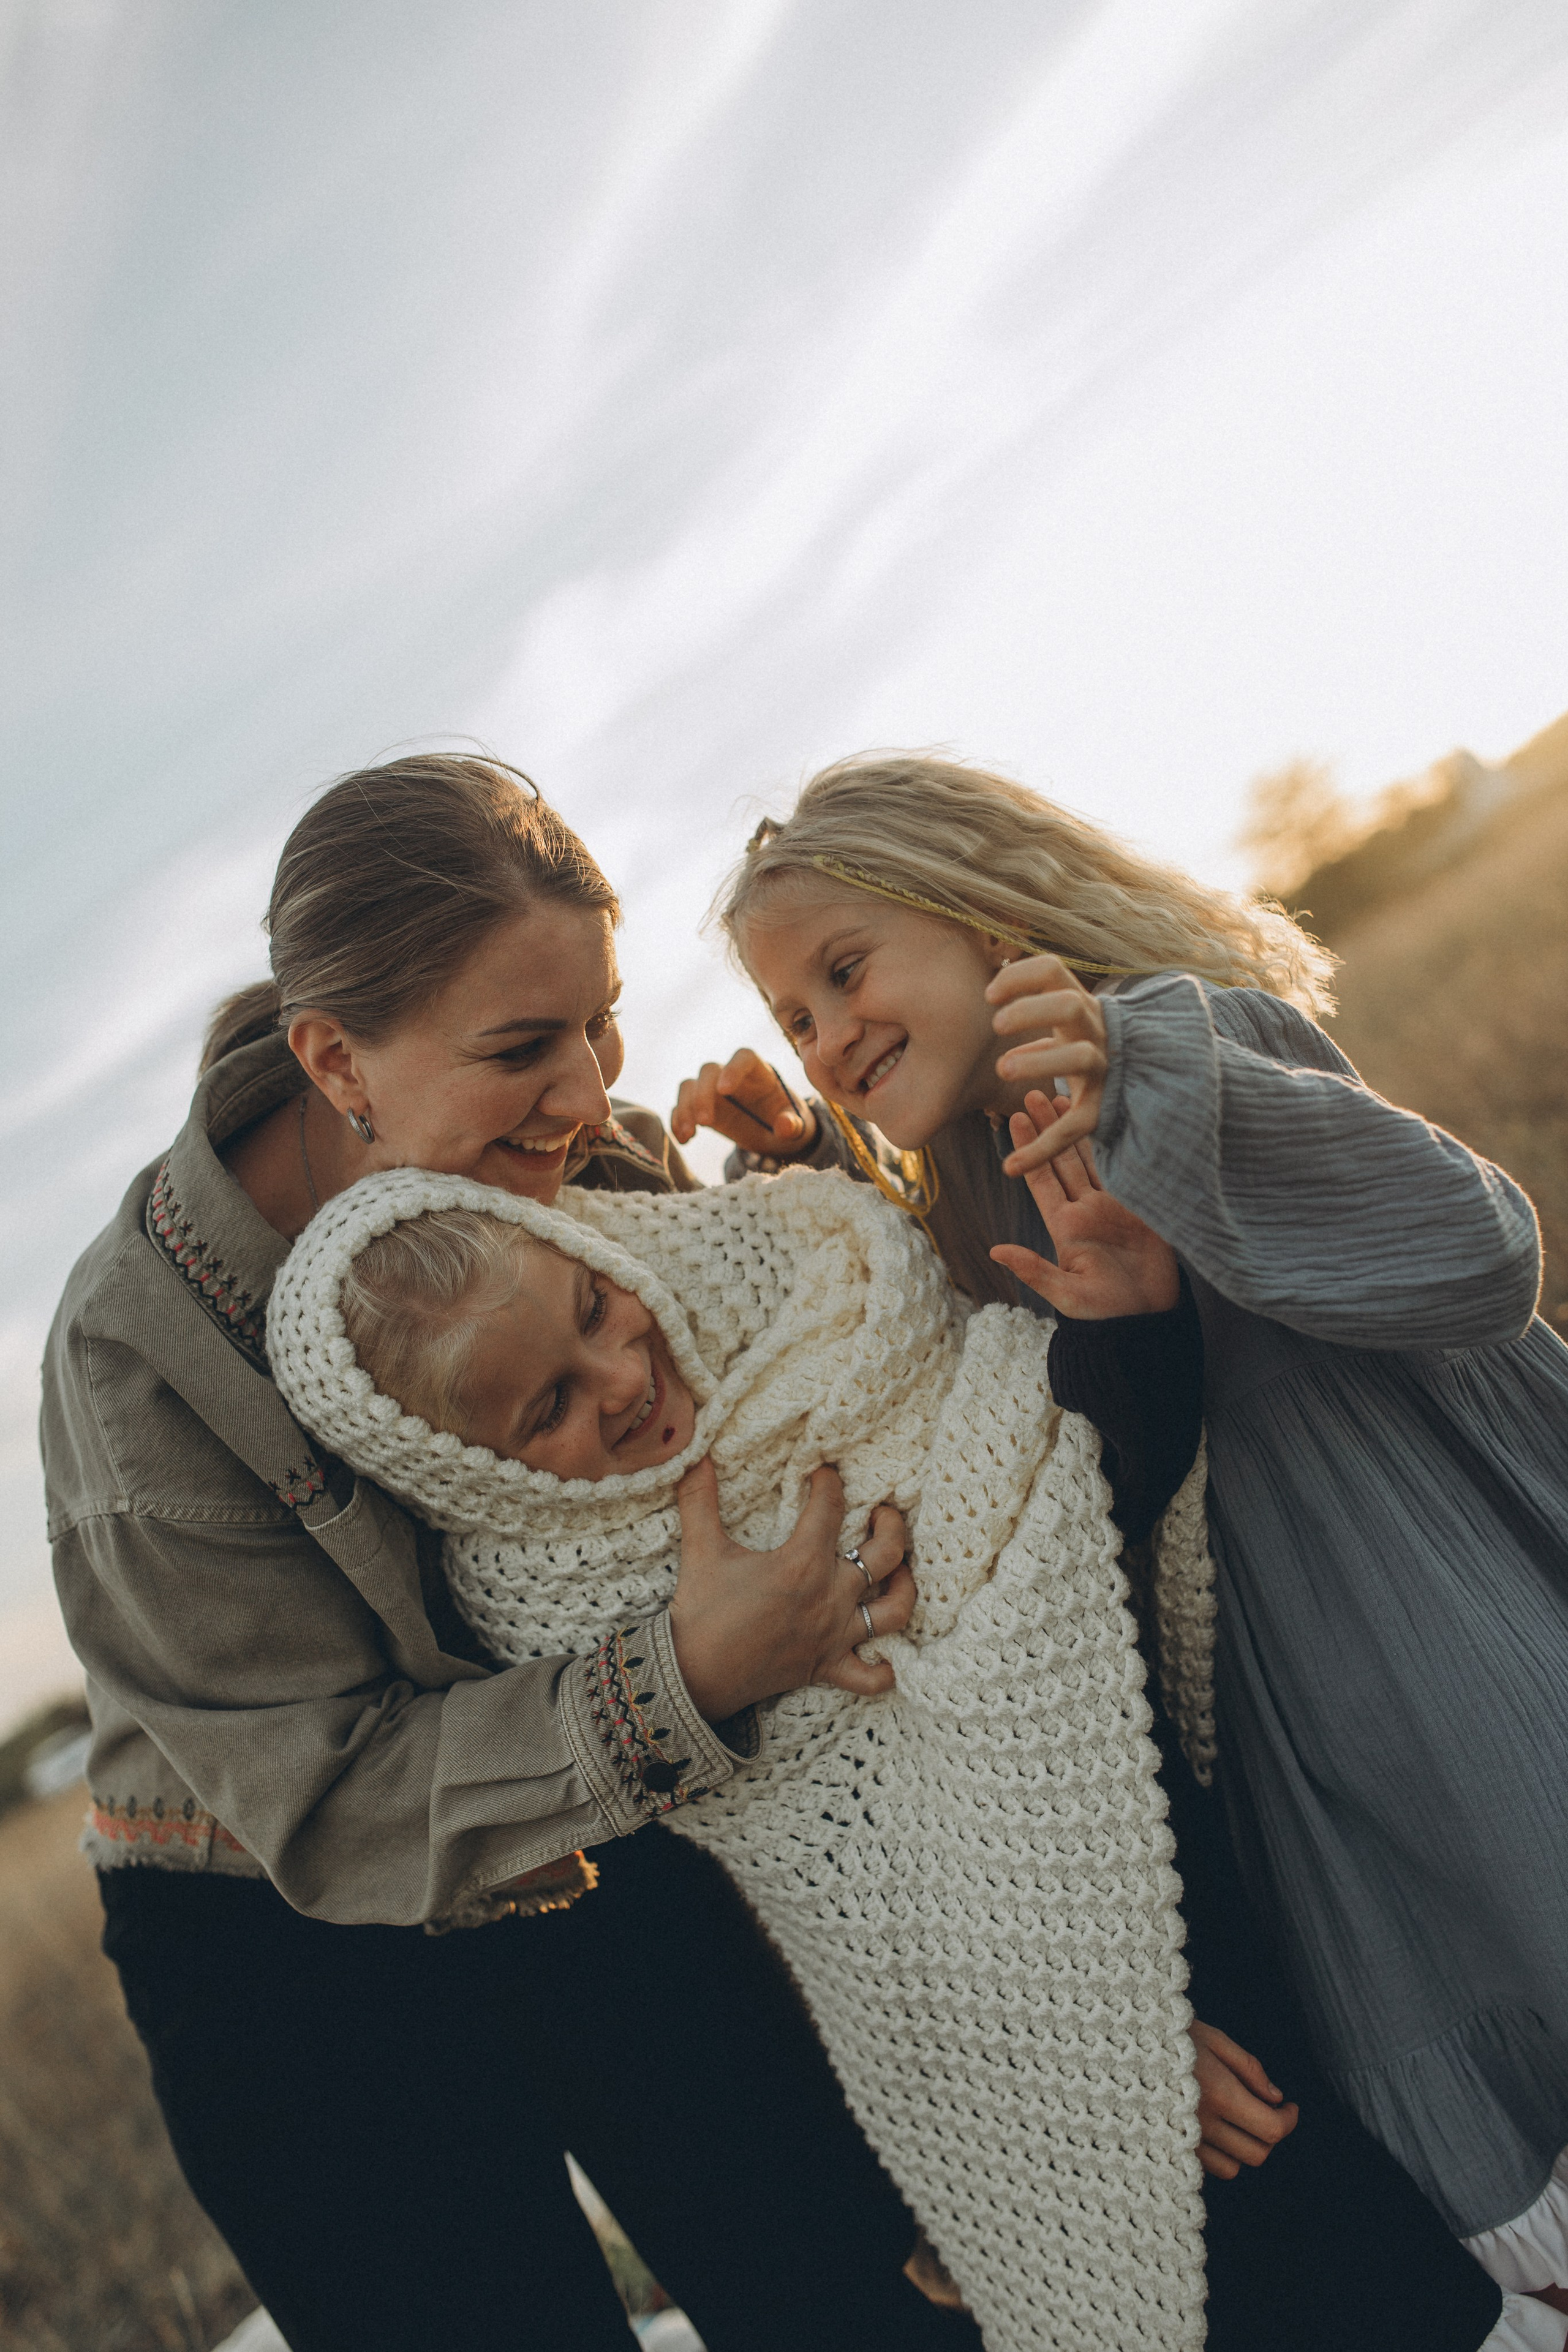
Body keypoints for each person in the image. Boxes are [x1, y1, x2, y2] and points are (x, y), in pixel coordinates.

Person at [41, 754, 989, 2352]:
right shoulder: (138, 1359)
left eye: (600, 1019)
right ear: (336, 1056)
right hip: (279, 1928)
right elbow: (334, 1804)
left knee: (847, 2290)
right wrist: (682, 1680)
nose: (589, 1087)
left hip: (605, 1813)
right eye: (521, 1047)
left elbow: (786, 1426)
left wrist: (818, 1181)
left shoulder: (594, 1164)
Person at [672, 745, 1568, 2352]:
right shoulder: (968, 1171)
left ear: (972, 907)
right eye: (795, 1013)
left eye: (846, 969)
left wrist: (1145, 1091)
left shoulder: (1177, 1040)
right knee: (1492, 2193)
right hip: (1299, 1775)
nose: (826, 1033)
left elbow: (1476, 1253)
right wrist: (805, 1167)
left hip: (1440, 1648)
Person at [257, 1142, 1279, 2348]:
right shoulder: (585, 1652)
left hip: (1234, 1838)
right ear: (472, 1481)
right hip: (1077, 2033)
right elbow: (862, 1902)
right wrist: (1109, 2032)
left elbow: (1066, 1463)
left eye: (594, 1306)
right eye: (549, 1408)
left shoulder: (812, 1303)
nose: (621, 1376)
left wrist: (1124, 1333)